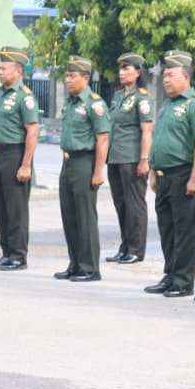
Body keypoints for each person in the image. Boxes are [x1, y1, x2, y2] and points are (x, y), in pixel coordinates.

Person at [145, 51, 195, 298]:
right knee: (167, 228)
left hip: (183, 174)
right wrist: (152, 170)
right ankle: (170, 273)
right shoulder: (167, 105)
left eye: (171, 75)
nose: (166, 80)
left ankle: (183, 280)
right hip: (163, 175)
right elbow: (159, 139)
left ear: (185, 76)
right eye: (165, 76)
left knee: (185, 230)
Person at [55, 56, 111, 282]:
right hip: (67, 162)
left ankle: (90, 267)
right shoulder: (70, 102)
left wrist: (98, 172)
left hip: (84, 162)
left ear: (86, 78)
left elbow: (103, 139)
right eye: (67, 75)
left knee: (85, 216)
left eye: (72, 75)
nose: (68, 80)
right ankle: (75, 263)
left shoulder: (95, 104)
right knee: (69, 215)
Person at [0, 46, 39, 270]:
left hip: (14, 154)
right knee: (0, 207)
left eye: (4, 67)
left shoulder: (24, 97)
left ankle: (18, 255)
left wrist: (26, 164)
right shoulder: (1, 93)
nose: (0, 71)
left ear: (18, 71)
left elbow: (32, 131)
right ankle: (6, 252)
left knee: (16, 208)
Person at [105, 52, 153, 264]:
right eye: (121, 69)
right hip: (115, 157)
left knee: (135, 205)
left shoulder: (142, 98)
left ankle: (136, 249)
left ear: (138, 72)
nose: (122, 73)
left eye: (127, 69)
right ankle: (124, 246)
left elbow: (147, 130)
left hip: (132, 158)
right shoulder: (118, 96)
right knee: (121, 204)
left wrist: (144, 159)